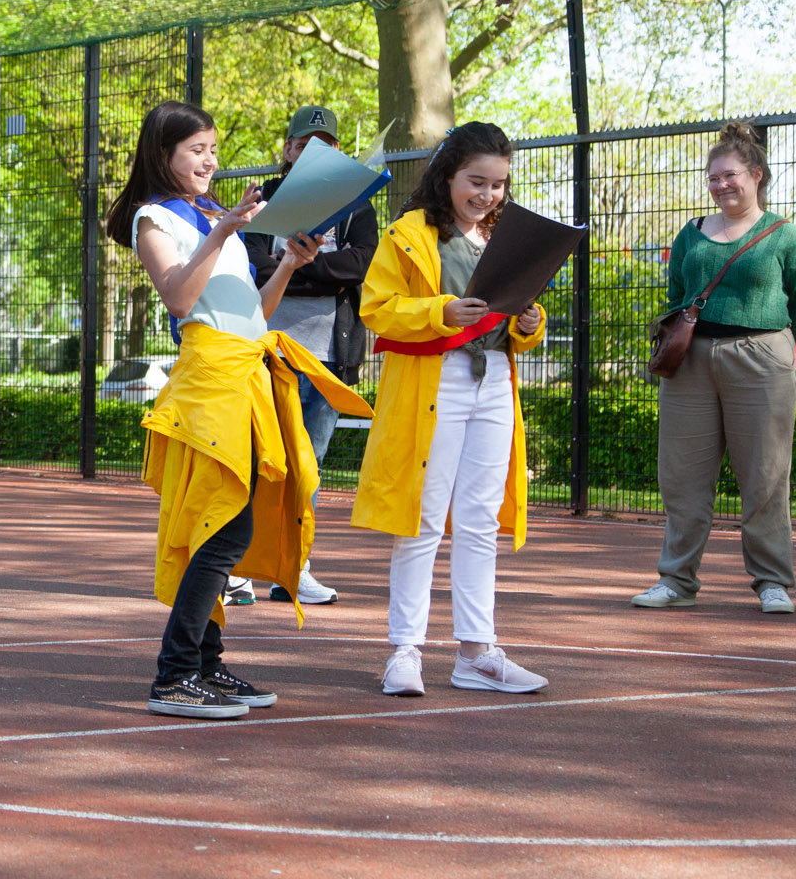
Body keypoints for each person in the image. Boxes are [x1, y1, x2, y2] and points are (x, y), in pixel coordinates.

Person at [105, 100, 370, 719]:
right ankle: (174, 675)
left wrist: (289, 264)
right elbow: (178, 296)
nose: (210, 161)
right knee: (222, 527)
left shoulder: (210, 215)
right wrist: (222, 233)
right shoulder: (156, 218)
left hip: (246, 374)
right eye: (197, 150)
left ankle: (205, 665)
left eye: (213, 149)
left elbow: (255, 308)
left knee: (230, 523)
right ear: (163, 154)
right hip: (210, 382)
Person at [351, 122, 550, 697]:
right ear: (447, 175)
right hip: (432, 386)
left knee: (480, 522)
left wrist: (528, 326)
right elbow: (378, 310)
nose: (486, 195)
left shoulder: (502, 238)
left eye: (498, 185)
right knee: (421, 520)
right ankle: (404, 650)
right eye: (476, 181)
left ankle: (477, 652)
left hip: (494, 384)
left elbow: (513, 315)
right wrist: (441, 312)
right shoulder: (410, 233)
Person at [632, 121, 796, 614]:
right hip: (690, 362)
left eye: (731, 175)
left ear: (756, 175)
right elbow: (676, 295)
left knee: (764, 475)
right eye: (713, 177)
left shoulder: (786, 237)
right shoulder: (691, 234)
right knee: (682, 476)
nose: (721, 185)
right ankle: (676, 580)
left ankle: (771, 581)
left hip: (761, 360)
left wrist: (775, 345)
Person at [244, 103, 377, 606]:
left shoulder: (356, 206)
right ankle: (238, 567)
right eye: (304, 145)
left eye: (325, 146)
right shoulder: (263, 200)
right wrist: (307, 266)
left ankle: (293, 567)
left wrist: (296, 266)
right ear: (288, 150)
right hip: (266, 353)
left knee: (309, 466)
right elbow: (254, 266)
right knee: (257, 459)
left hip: (328, 359)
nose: (312, 153)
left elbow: (361, 264)